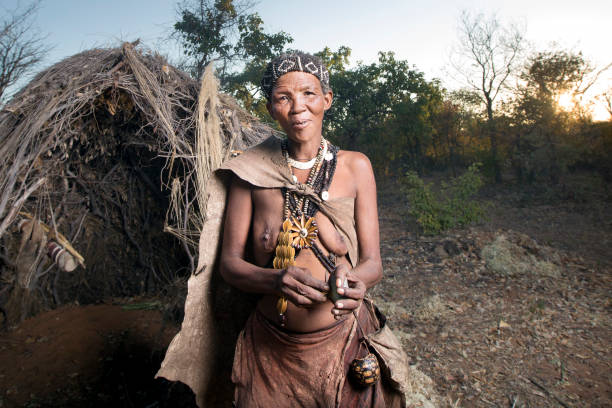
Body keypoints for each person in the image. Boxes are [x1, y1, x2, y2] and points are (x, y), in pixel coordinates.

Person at [218, 52, 407, 407]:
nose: (297, 107)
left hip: (346, 346)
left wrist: (355, 281)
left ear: (326, 100)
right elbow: (229, 264)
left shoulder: (356, 167)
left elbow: (373, 263)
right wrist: (274, 280)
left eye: (308, 93)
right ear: (271, 107)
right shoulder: (250, 171)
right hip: (270, 354)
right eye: (283, 97)